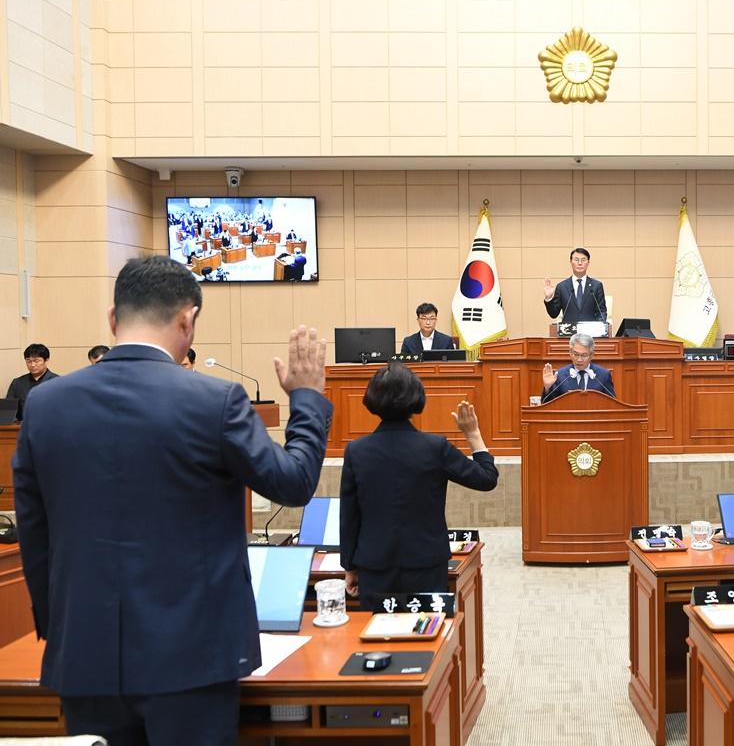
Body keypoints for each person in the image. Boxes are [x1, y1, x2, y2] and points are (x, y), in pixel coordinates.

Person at [13, 255, 332, 745]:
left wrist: (62, 629)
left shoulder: (44, 405)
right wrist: (307, 399)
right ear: (188, 320)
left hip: (86, 652)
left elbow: (34, 533)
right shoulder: (215, 400)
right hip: (192, 657)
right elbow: (291, 483)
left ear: (114, 320)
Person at [340, 363, 497, 601]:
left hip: (374, 564)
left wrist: (349, 565)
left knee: (376, 634)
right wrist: (473, 434)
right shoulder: (435, 447)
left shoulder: (356, 451)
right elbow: (486, 479)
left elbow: (349, 516)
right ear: (416, 397)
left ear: (372, 399)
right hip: (426, 563)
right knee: (426, 633)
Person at [540, 333, 615, 403]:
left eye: (584, 355)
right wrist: (547, 388)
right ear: (570, 352)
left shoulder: (603, 375)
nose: (579, 360)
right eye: (576, 354)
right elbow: (548, 405)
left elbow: (613, 404)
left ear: (592, 355)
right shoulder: (560, 375)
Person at [544, 247, 607, 324]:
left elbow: (601, 312)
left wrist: (600, 328)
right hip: (568, 333)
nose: (580, 263)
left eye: (583, 260)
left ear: (588, 262)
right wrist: (549, 298)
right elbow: (553, 314)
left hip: (590, 333)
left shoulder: (596, 286)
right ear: (571, 262)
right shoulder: (562, 287)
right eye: (576, 260)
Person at [6, 344, 59, 421]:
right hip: (23, 428)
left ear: (46, 360)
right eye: (28, 361)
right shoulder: (17, 383)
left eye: (36, 361)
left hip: (50, 428)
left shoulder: (58, 382)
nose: (32, 365)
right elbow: (8, 410)